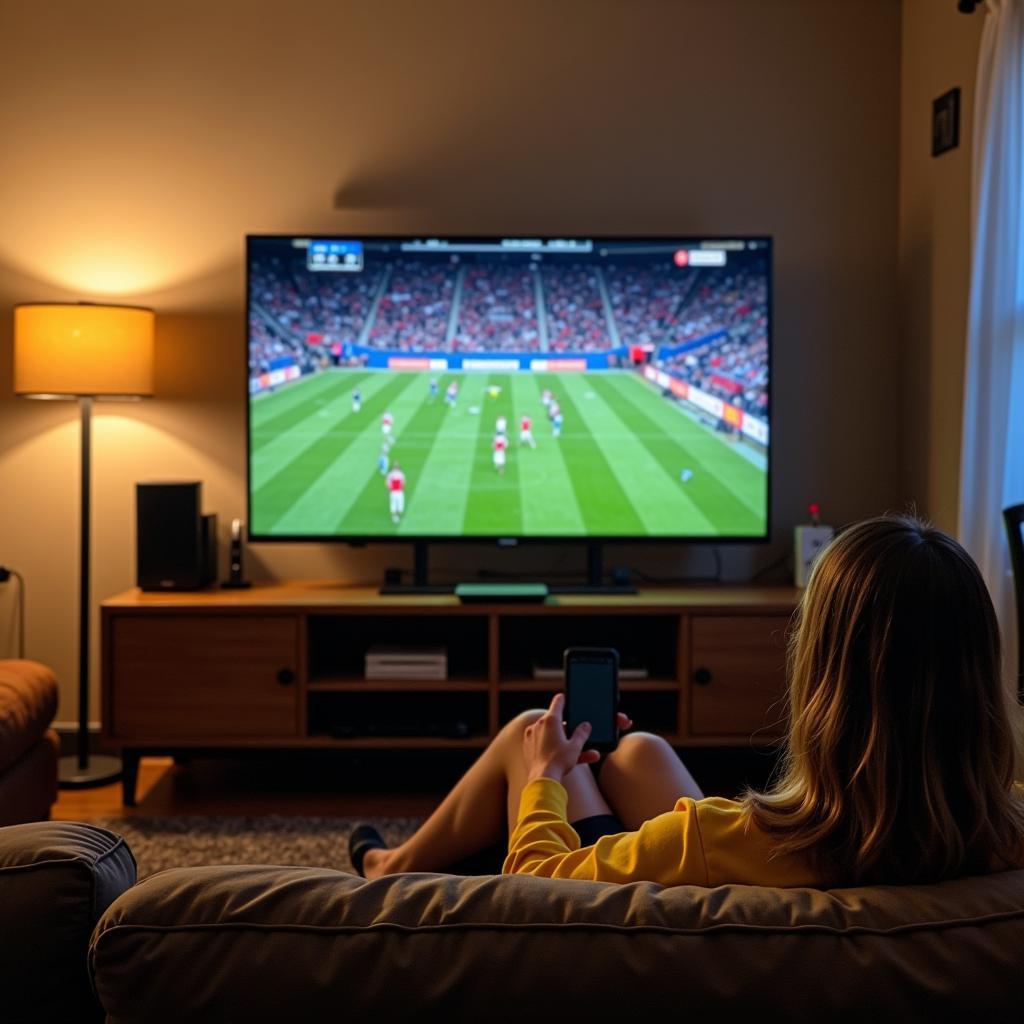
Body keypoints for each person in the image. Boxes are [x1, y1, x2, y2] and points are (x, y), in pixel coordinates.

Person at [349, 516, 1024, 886]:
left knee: (537, 732)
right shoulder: (1006, 834)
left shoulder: (716, 839)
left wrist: (544, 778)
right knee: (636, 750)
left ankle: (389, 868)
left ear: (820, 677)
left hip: (666, 891)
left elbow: (538, 883)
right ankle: (392, 863)